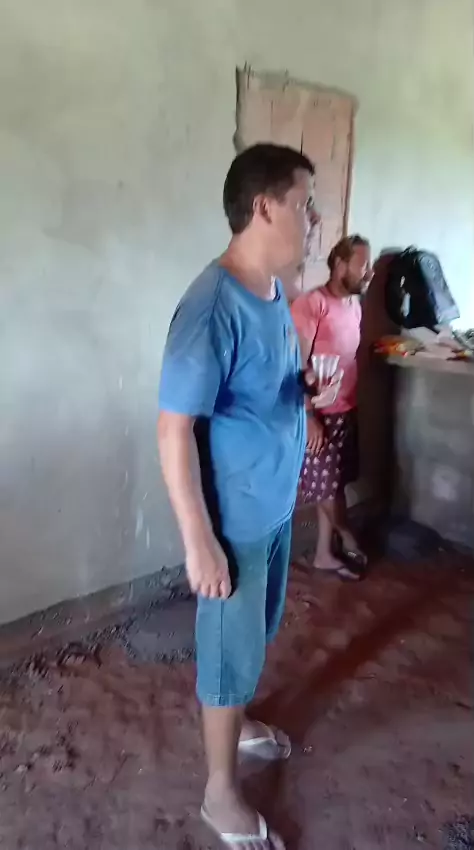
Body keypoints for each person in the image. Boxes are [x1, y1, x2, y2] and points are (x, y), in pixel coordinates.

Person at [157, 143, 323, 849]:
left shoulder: (272, 291)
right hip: (236, 520)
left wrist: (302, 396)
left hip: (273, 502)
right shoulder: (210, 307)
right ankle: (219, 793)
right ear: (264, 208)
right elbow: (173, 431)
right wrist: (199, 540)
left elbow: (267, 378)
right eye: (304, 205)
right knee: (227, 653)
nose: (313, 220)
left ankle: (239, 722)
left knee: (254, 634)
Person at [291, 235, 373, 581]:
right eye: (363, 266)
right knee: (324, 488)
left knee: (334, 485)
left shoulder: (354, 305)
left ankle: (324, 554)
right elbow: (294, 366)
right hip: (319, 415)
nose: (369, 273)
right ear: (340, 265)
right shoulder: (311, 305)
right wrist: (309, 415)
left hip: (345, 409)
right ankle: (346, 535)